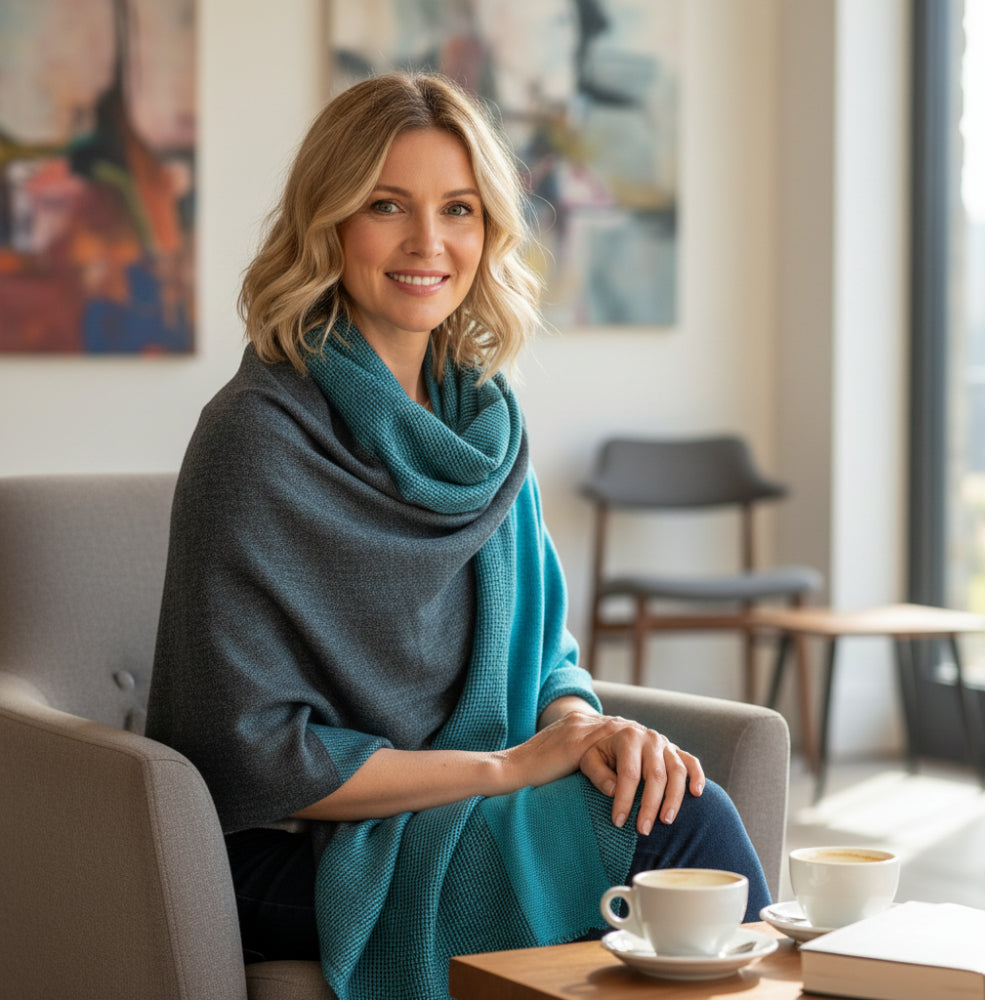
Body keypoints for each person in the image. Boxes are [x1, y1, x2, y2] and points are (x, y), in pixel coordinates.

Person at [145, 71, 770, 1000]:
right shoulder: (255, 436)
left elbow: (549, 655)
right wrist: (512, 766)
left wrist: (581, 726)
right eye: (387, 205)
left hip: (474, 797)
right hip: (293, 849)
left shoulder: (486, 427)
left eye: (460, 210)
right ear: (329, 223)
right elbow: (256, 755)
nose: (428, 243)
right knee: (685, 832)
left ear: (490, 231)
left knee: (672, 802)